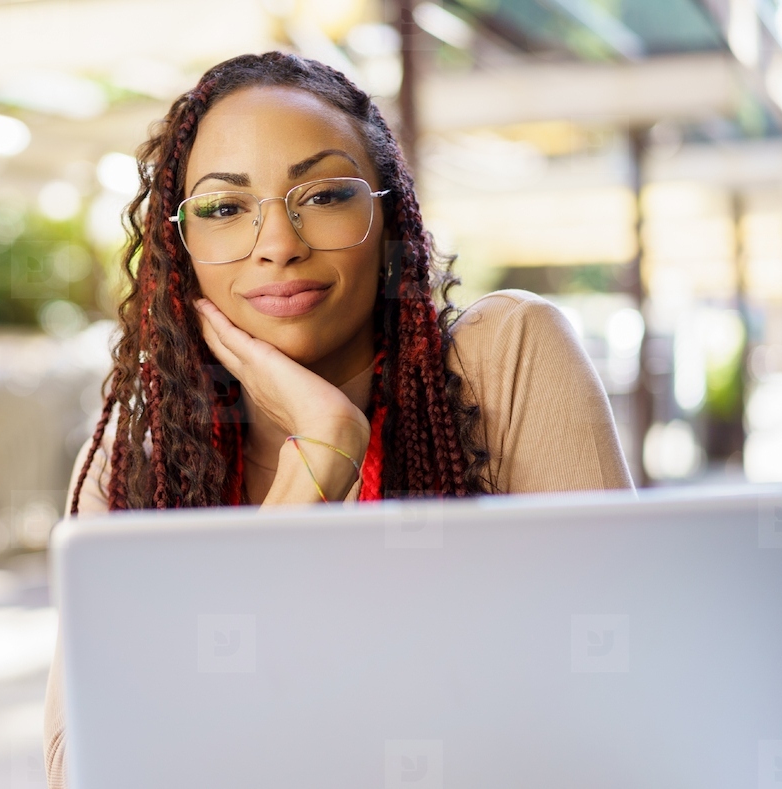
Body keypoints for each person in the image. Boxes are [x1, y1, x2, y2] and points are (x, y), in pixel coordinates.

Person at [42, 51, 633, 787]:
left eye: (323, 195)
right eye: (225, 208)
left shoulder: (504, 358)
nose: (279, 244)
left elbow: (613, 702)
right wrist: (314, 465)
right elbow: (92, 772)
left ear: (386, 216)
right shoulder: (134, 465)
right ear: (180, 245)